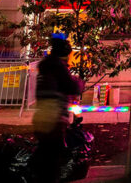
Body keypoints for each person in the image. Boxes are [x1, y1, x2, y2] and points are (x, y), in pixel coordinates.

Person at [32, 35, 83, 183]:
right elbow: (72, 87)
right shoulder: (58, 67)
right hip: (53, 117)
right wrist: (79, 82)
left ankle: (37, 175)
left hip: (41, 114)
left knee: (44, 151)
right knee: (52, 157)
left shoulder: (46, 65)